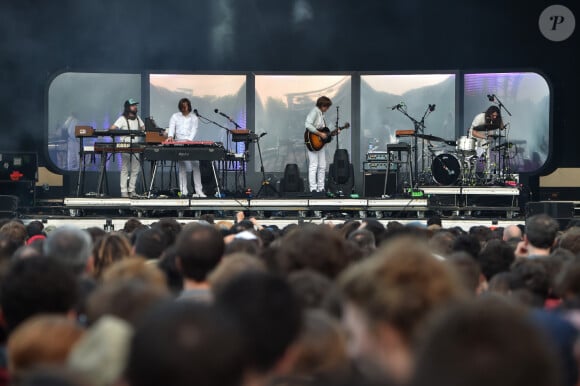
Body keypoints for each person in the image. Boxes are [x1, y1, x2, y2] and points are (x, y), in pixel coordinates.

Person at [166, 98, 206, 198]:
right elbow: (171, 127)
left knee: (196, 166)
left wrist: (189, 140)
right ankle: (183, 191)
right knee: (182, 166)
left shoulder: (194, 118)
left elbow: (194, 129)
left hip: (190, 142)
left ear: (189, 106)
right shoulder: (175, 116)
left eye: (186, 106)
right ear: (180, 107)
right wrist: (170, 136)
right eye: (182, 107)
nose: (184, 109)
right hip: (179, 142)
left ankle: (199, 191)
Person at [110, 98, 145, 198]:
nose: (135, 107)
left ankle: (132, 190)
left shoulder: (138, 118)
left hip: (136, 147)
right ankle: (124, 191)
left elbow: (144, 128)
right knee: (125, 168)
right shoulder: (122, 119)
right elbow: (112, 128)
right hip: (125, 146)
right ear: (128, 107)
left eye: (136, 105)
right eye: (133, 105)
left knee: (135, 169)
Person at [305, 96, 333, 193]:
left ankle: (321, 188)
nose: (327, 109)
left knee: (322, 166)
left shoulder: (321, 114)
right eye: (327, 106)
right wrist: (320, 133)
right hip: (313, 142)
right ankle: (313, 188)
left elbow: (324, 130)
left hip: (320, 144)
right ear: (322, 105)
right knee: (314, 165)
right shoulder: (315, 112)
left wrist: (332, 133)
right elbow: (307, 125)